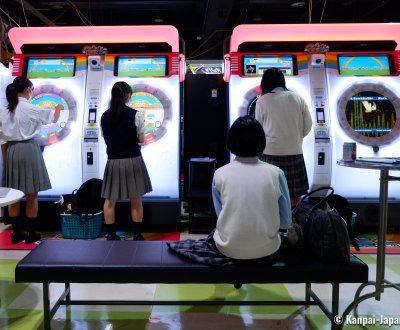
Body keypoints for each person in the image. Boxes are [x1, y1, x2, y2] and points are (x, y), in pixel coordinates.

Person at [168, 115, 296, 266]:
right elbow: (286, 221)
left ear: (231, 141)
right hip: (267, 249)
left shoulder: (220, 173)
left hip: (227, 248)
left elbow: (220, 213)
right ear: (262, 141)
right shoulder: (276, 173)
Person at [0, 76, 63, 244]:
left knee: (13, 195)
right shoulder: (31, 108)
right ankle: (30, 233)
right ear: (28, 89)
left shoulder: (4, 110)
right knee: (31, 194)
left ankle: (15, 233)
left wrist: (6, 159)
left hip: (12, 151)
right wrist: (59, 107)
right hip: (29, 149)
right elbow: (53, 118)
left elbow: (2, 140)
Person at [100, 81, 152, 241]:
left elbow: (106, 138)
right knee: (136, 199)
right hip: (133, 161)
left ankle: (111, 234)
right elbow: (141, 139)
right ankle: (137, 234)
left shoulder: (104, 116)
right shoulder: (135, 114)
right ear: (127, 95)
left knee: (110, 200)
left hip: (113, 161)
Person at [255, 68, 312, 207]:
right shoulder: (297, 98)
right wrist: (296, 137)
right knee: (294, 194)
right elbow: (308, 125)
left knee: (271, 193)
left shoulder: (262, 100)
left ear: (265, 83)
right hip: (295, 151)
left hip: (270, 153)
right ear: (282, 81)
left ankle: (274, 224)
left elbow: (258, 128)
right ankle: (291, 224)